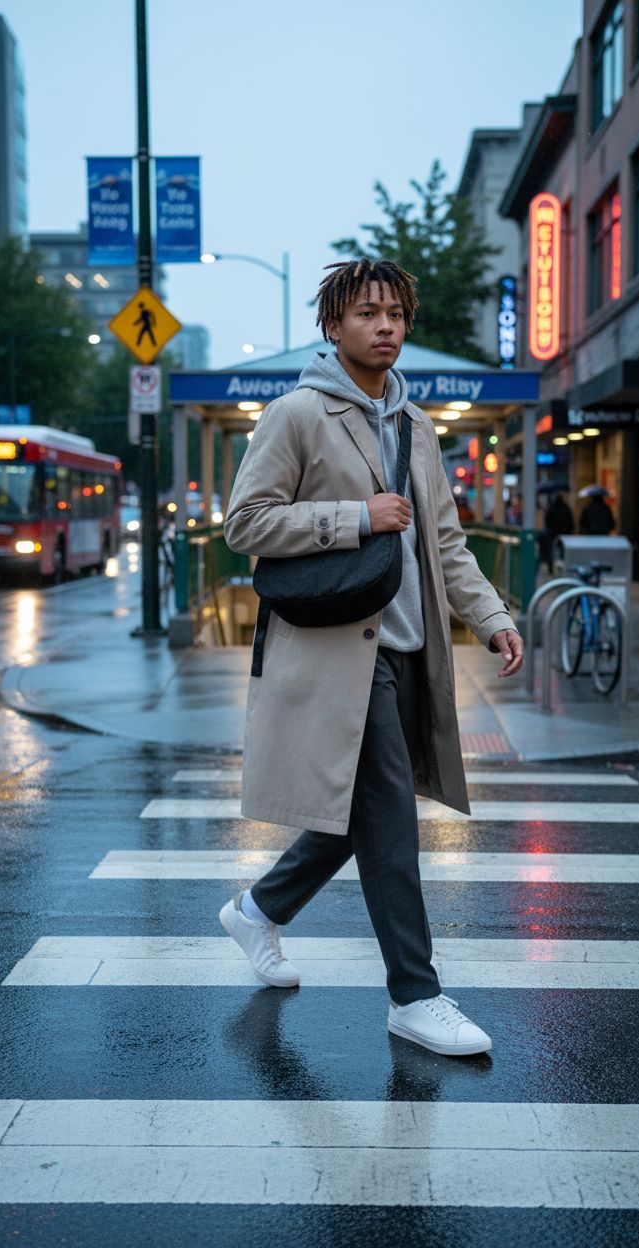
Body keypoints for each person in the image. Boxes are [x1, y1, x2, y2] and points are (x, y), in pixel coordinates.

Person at [221, 258, 524, 1058]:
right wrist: (355, 516)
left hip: (406, 648)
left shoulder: (418, 426)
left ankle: (257, 910)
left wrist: (491, 616)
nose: (385, 326)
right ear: (334, 326)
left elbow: (445, 544)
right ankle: (414, 996)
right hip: (336, 655)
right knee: (389, 822)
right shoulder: (296, 414)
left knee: (356, 815)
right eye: (367, 314)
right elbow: (245, 523)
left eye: (395, 313)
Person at [542, 492, 574, 572]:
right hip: (564, 532)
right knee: (563, 550)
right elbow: (570, 521)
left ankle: (551, 567)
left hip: (553, 532)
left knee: (551, 550)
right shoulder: (565, 508)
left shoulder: (551, 508)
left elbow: (547, 520)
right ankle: (562, 566)